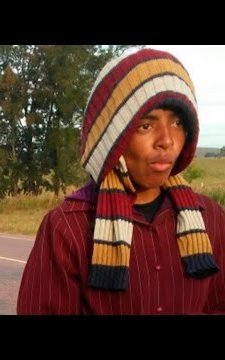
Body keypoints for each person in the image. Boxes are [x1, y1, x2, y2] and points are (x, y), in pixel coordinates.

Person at [17, 48, 225, 314]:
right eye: (146, 126)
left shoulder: (211, 219)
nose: (167, 140)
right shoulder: (69, 228)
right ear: (113, 138)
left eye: (177, 123)